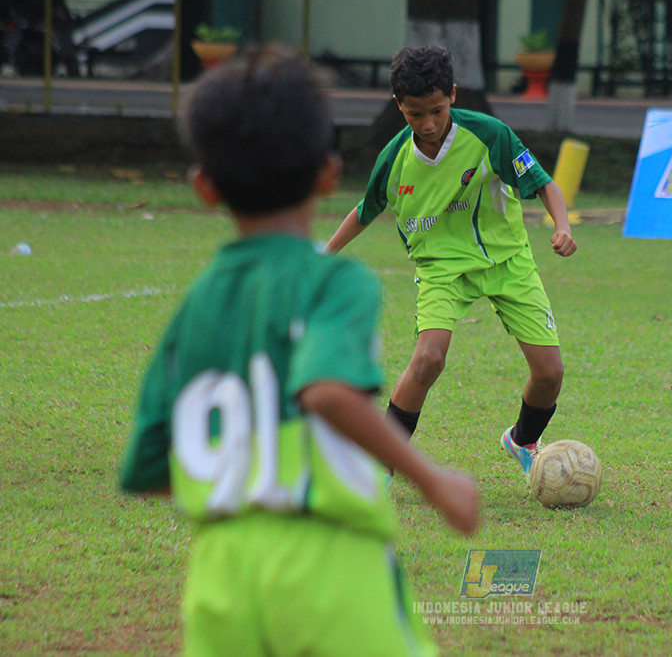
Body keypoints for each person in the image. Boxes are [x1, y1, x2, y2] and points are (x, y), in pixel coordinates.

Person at [119, 44, 478, 657]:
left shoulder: (197, 303)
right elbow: (327, 391)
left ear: (204, 187)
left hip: (220, 576)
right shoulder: (336, 282)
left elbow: (148, 465)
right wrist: (433, 480)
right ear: (327, 175)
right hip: (328, 563)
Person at [324, 45, 577, 478]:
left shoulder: (489, 135)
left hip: (507, 259)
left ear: (453, 95)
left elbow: (543, 183)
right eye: (415, 114)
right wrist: (324, 255)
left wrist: (563, 226)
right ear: (398, 105)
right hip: (440, 267)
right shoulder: (394, 159)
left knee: (550, 373)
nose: (428, 124)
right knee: (428, 360)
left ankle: (521, 440)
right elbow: (365, 211)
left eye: (437, 111)